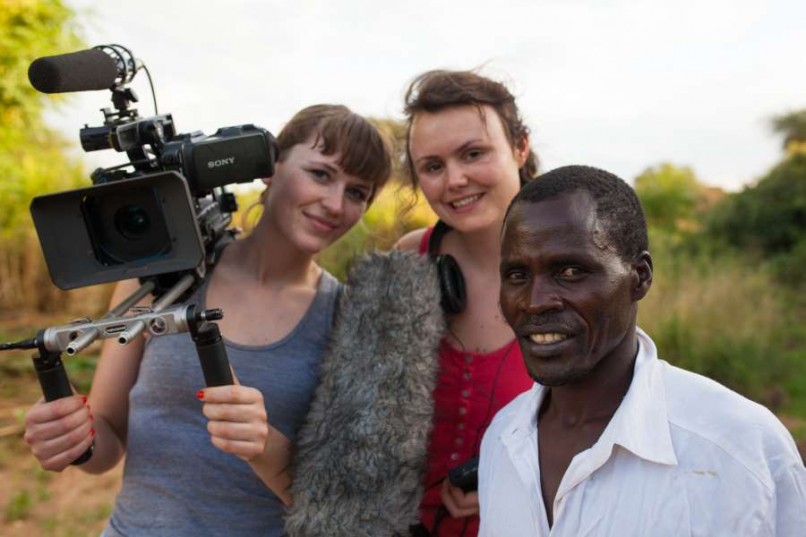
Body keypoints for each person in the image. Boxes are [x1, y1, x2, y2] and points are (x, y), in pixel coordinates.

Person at [22, 104, 392, 536]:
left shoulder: (347, 319)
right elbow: (107, 443)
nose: (334, 203)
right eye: (321, 174)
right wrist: (71, 437)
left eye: (358, 193)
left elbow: (336, 503)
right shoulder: (161, 278)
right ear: (268, 167)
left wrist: (262, 444)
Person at [479, 164, 806, 536]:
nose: (535, 303)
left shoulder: (740, 448)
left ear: (640, 277)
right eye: (517, 276)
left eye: (570, 272)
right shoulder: (502, 441)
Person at [395, 69, 538, 536]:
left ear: (520, 147)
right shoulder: (407, 260)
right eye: (432, 166)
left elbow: (616, 421)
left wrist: (519, 478)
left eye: (473, 154)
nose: (455, 180)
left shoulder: (580, 271)